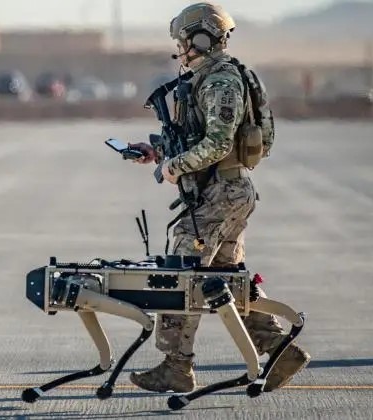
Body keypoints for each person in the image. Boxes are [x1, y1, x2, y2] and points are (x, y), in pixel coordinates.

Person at [127, 2, 310, 393]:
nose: (179, 49)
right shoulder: (208, 78)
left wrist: (173, 167)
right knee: (226, 282)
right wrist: (158, 152)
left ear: (202, 39)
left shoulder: (220, 81)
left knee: (181, 275)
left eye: (183, 41)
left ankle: (177, 367)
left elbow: (217, 143)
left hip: (220, 194)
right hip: (222, 191)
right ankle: (281, 352)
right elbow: (204, 143)